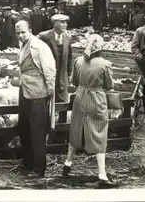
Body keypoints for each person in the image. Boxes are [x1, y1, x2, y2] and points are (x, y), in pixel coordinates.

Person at [62, 34, 119, 188]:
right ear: (100, 46)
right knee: (99, 132)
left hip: (80, 97)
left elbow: (74, 81)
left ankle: (67, 164)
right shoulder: (105, 64)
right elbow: (109, 86)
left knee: (76, 128)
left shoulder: (78, 61)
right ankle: (102, 175)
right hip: (96, 99)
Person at [15, 21, 56, 178]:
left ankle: (39, 168)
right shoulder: (23, 45)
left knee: (37, 130)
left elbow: (49, 68)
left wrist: (50, 91)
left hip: (37, 92)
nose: (20, 35)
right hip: (25, 89)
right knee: (24, 127)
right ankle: (28, 162)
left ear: (30, 30)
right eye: (18, 33)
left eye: (23, 32)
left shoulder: (38, 46)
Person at [37, 14, 73, 104]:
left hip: (62, 76)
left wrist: (69, 74)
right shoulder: (44, 36)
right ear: (55, 24)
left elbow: (70, 57)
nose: (65, 25)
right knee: (47, 102)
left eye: (66, 22)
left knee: (63, 101)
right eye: (62, 22)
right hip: (48, 75)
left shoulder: (68, 37)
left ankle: (62, 118)